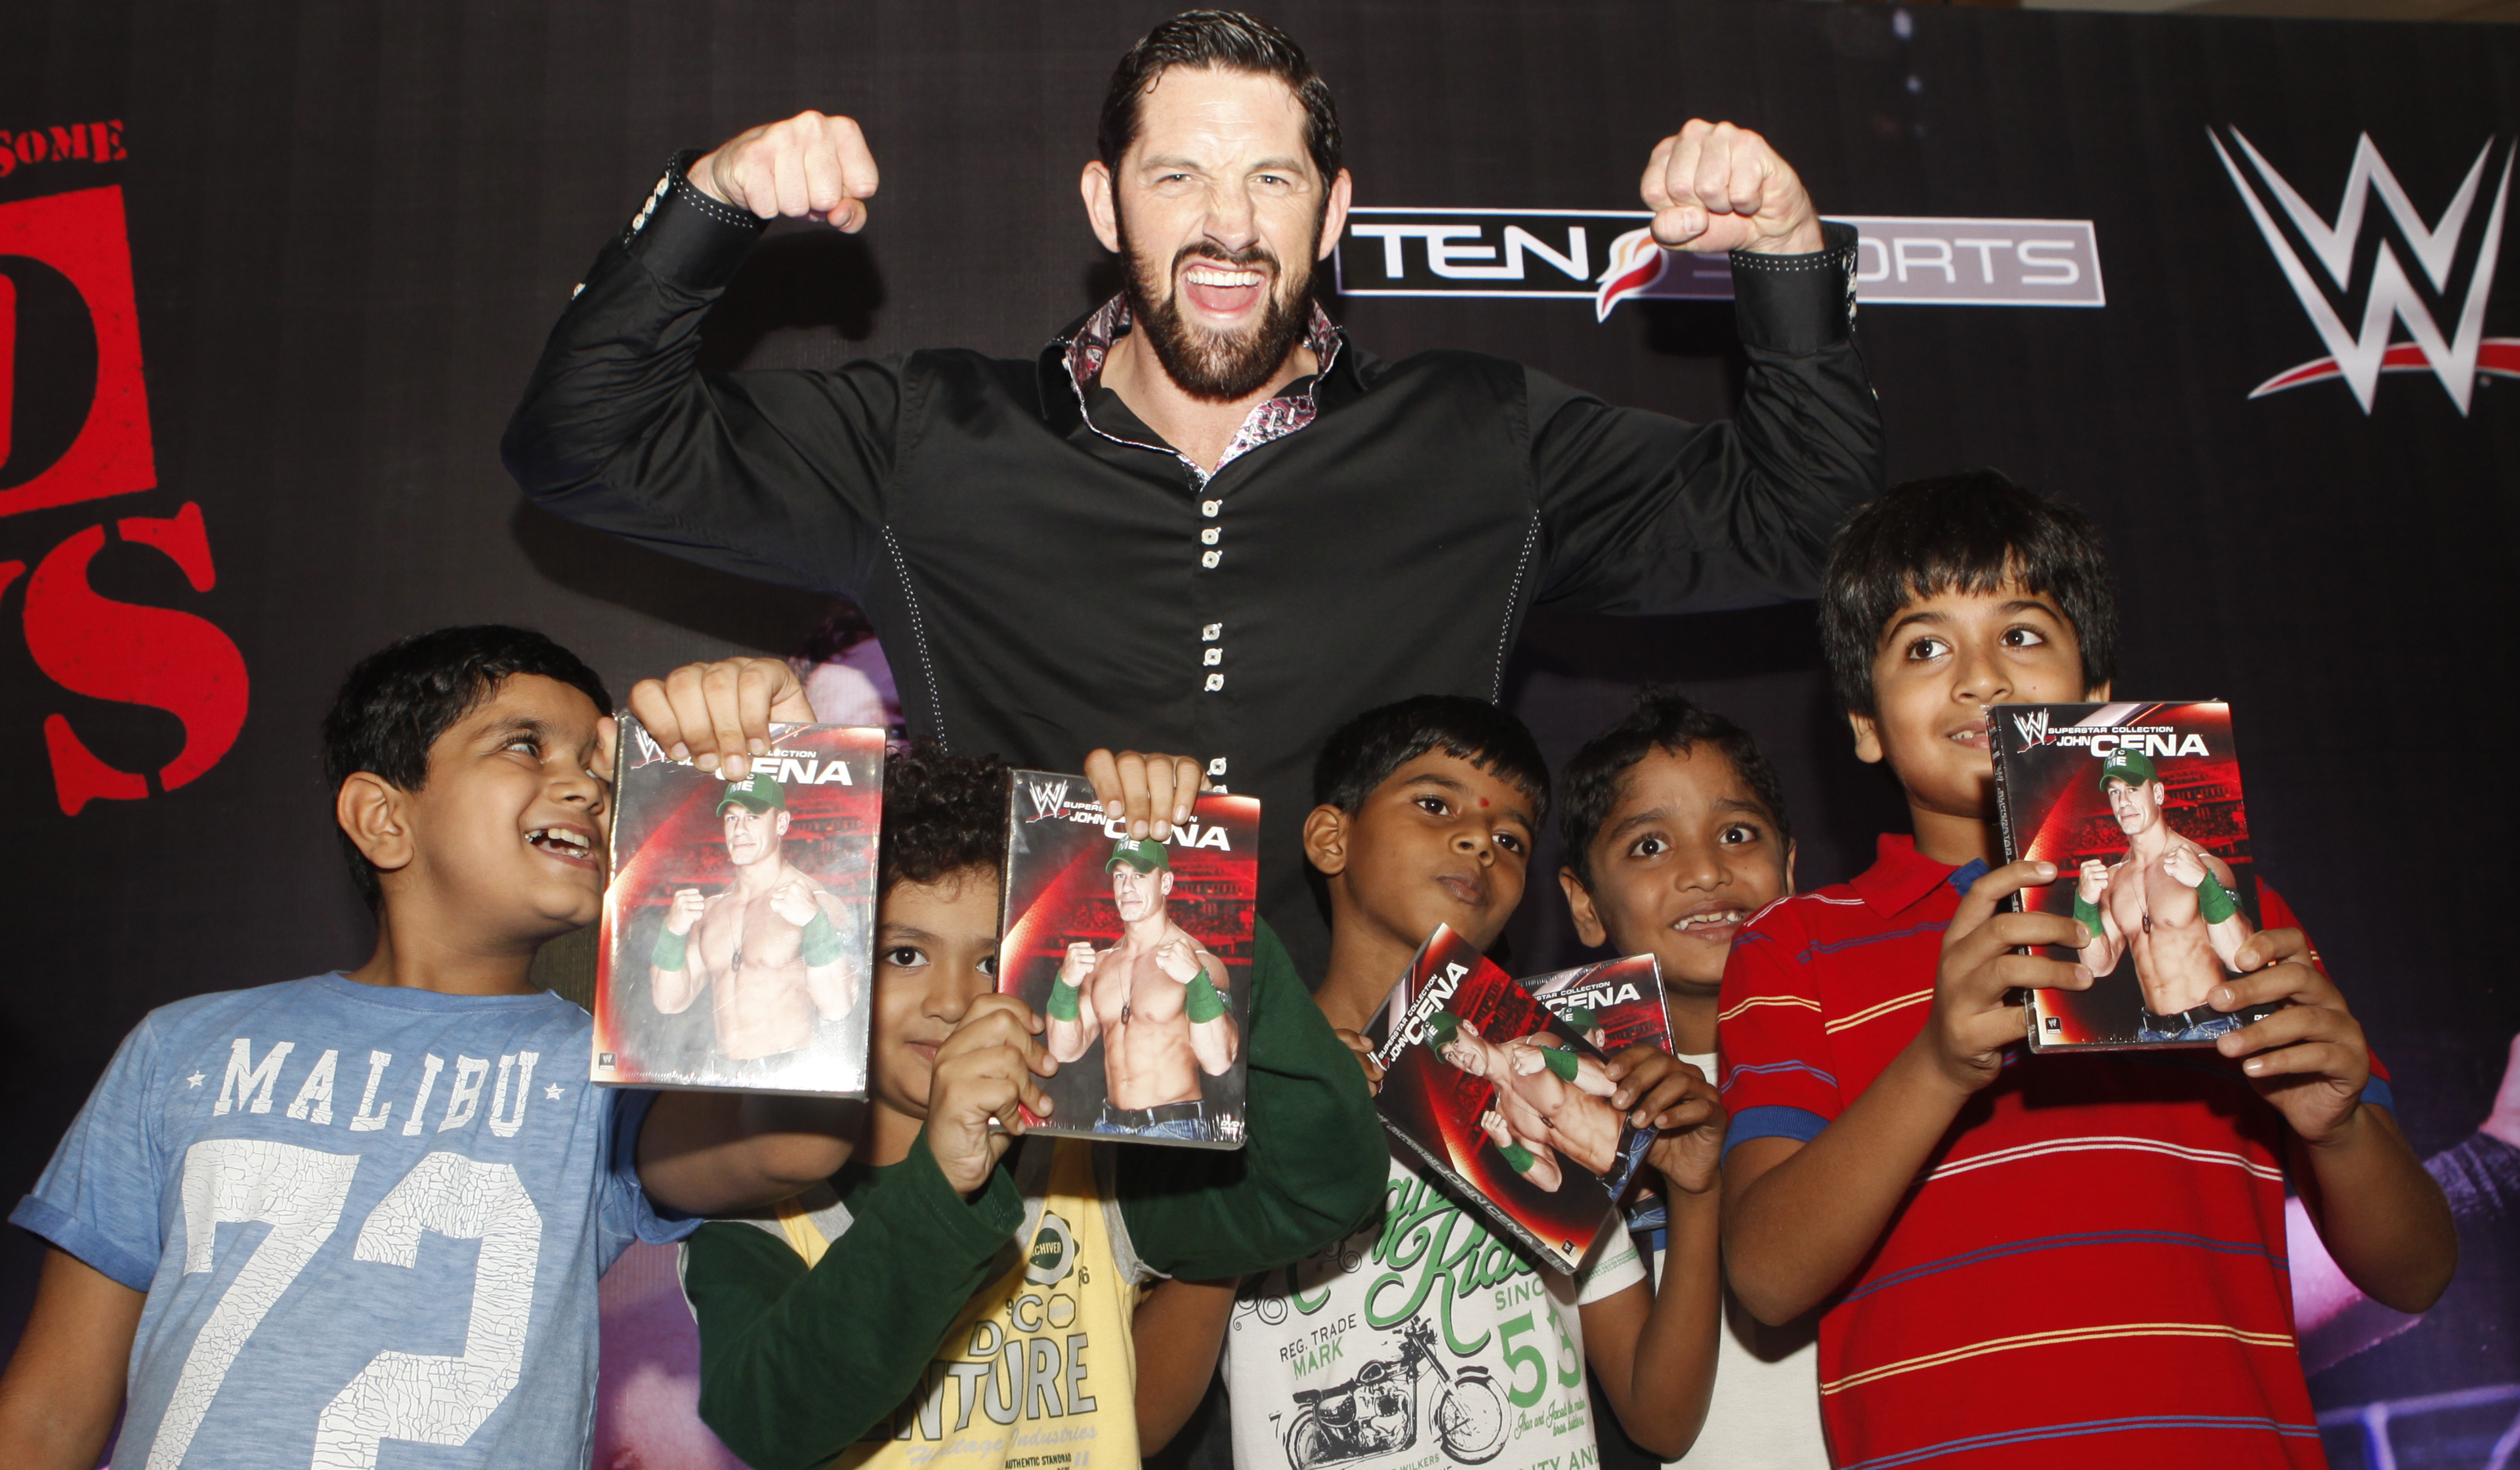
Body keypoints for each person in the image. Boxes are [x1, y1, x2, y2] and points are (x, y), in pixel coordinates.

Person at [500, 9, 1886, 979]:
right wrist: (712, 200)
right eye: (1181, 175)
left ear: (1333, 214)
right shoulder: (932, 436)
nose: (1227, 223)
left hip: (1378, 1137)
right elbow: (584, 446)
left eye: (1270, 178)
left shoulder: (1478, 437)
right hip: (1041, 1136)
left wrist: (1785, 257)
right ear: (1107, 206)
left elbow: (1807, 523)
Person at [1716, 472, 2458, 1465]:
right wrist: (1937, 1064)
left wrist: (2337, 1127)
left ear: (2100, 692)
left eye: (2022, 634)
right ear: (1862, 721)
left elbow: (2418, 1273)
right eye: (1924, 647)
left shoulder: (2233, 903)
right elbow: (1766, 1278)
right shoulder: (1794, 946)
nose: (1980, 677)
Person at [0, 626, 852, 1470]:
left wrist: (778, 765)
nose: (590, 790)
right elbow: (46, 1413)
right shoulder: (182, 1046)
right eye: (527, 746)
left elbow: (792, 1145)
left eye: (603, 768)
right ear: (382, 818)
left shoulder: (608, 1071)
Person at [673, 741, 1387, 1470]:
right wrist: (941, 1183)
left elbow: (1327, 1190)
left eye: (991, 962)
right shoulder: (756, 1198)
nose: (954, 1001)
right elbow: (768, 1422)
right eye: (905, 954)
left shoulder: (1089, 1170)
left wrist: (1220, 913)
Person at [1140, 695, 1727, 1469]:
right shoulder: (1233, 1083)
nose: (1479, 840)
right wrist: (1257, 1159)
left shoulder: (1533, 1075)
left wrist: (1696, 1189)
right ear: (1330, 838)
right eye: (1433, 802)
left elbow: (1662, 1419)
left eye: (1511, 837)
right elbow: (1137, 1421)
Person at [1554, 688, 1820, 1469]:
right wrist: (1695, 1189)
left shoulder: (1871, 1058)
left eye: (1737, 833)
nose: (1706, 871)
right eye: (1649, 846)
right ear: (1583, 902)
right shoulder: (1575, 1112)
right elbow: (1657, 1420)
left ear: (1791, 866)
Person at [652, 772, 862, 1064]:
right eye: (731, 818)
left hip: (790, 1072)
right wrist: (672, 934)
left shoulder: (818, 903)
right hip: (724, 1072)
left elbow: (839, 1007)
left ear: (781, 823)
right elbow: (670, 1002)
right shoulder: (711, 911)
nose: (739, 830)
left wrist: (816, 926)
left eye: (752, 817)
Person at [1047, 837, 1240, 1139]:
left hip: (1176, 1128)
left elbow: (1218, 1062)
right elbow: (1064, 1050)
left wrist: (1196, 982)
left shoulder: (1201, 963)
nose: (1127, 887)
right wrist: (1065, 985)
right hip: (1108, 1126)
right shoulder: (1100, 964)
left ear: (1166, 883)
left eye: (1140, 875)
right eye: (1120, 876)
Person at [2070, 748, 2259, 1040]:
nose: (2124, 802)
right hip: (2151, 1033)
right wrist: (2084, 904)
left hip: (2211, 1028)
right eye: (2114, 792)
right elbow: (2098, 966)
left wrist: (2205, 884)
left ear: (2158, 794)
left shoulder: (2205, 866)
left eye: (2133, 789)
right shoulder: (2114, 879)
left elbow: (2239, 958)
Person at [1424, 1010, 1627, 1188]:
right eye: (1450, 1055)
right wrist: (1508, 1147)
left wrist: (1547, 1057)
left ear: (1470, 1028)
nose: (1460, 1057)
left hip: (1635, 1142)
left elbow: (1610, 1084)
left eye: (1457, 1043)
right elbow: (1552, 1181)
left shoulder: (1536, 1044)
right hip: (1614, 1184)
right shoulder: (1504, 1112)